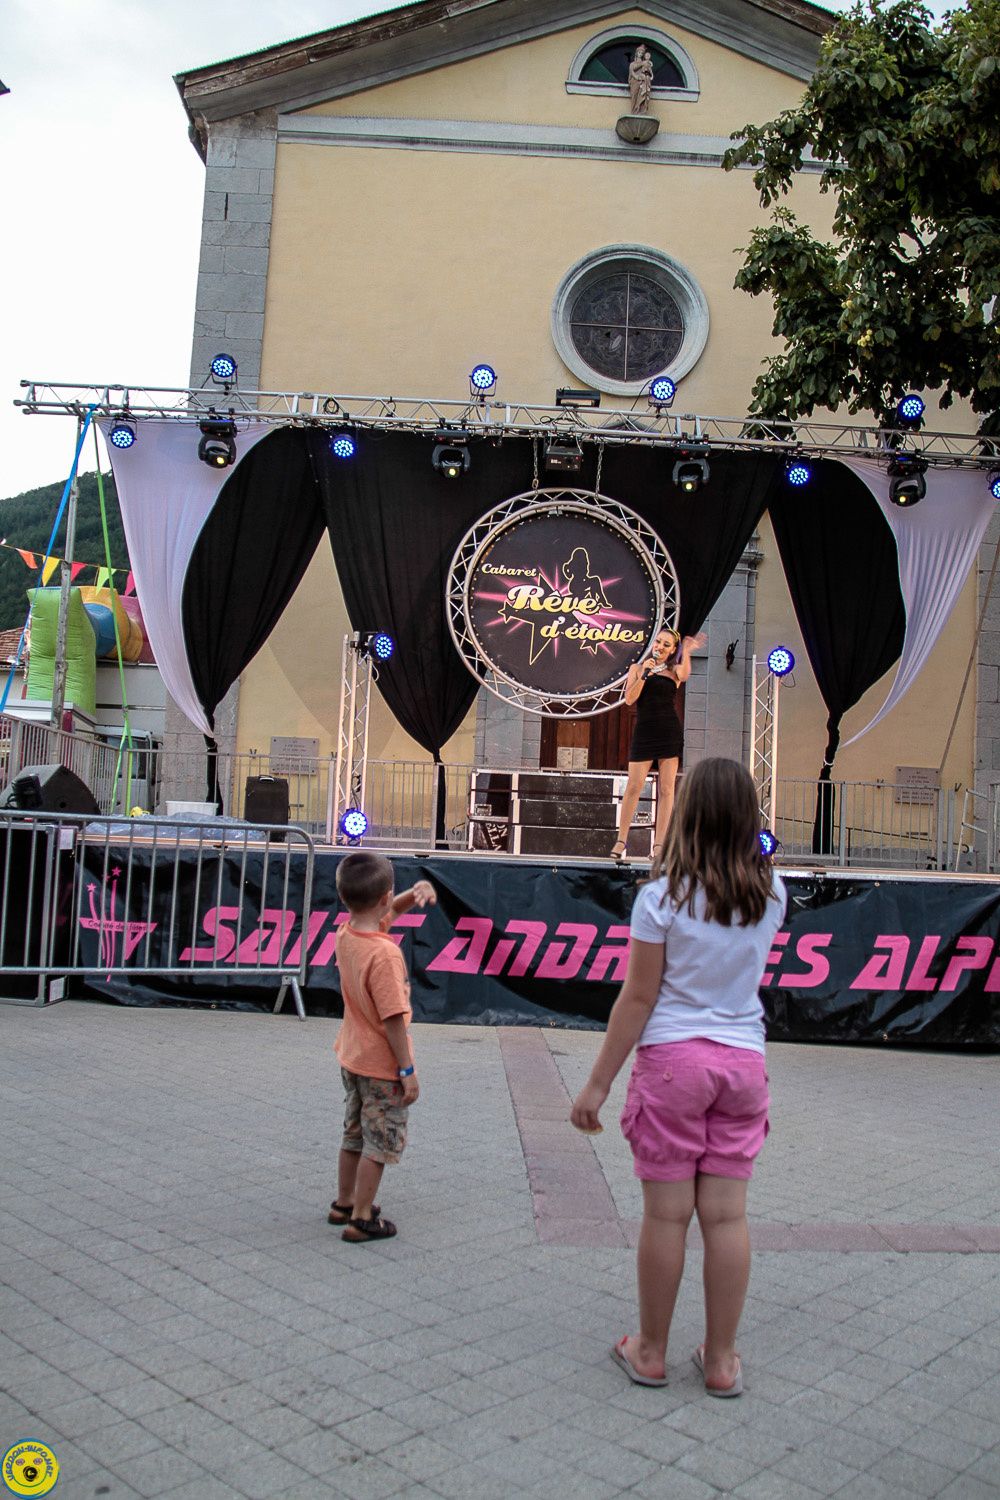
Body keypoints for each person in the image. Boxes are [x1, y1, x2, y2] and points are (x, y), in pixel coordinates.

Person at [571, 758, 786, 1395]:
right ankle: (720, 1362)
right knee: (726, 1219)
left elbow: (638, 999)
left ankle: (650, 1351)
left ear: (686, 813)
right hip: (743, 1066)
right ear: (750, 818)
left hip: (672, 1067)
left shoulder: (660, 898)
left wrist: (598, 1085)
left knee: (667, 1218)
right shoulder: (773, 894)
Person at [328, 851, 436, 1243]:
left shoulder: (348, 934)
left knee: (353, 1133)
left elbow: (381, 915)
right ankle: (362, 1218)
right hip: (380, 1066)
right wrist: (406, 1070)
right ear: (383, 896)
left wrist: (409, 896)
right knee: (379, 1139)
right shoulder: (385, 954)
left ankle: (343, 1201)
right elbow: (392, 1018)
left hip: (352, 1057)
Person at [611, 626, 705, 862]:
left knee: (666, 789)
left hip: (668, 732)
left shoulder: (674, 672)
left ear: (672, 650)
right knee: (633, 787)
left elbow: (685, 675)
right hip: (644, 731)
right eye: (658, 642)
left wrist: (688, 650)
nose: (660, 647)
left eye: (666, 645)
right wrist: (645, 673)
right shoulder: (638, 668)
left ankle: (660, 845)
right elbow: (630, 699)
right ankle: (621, 840)